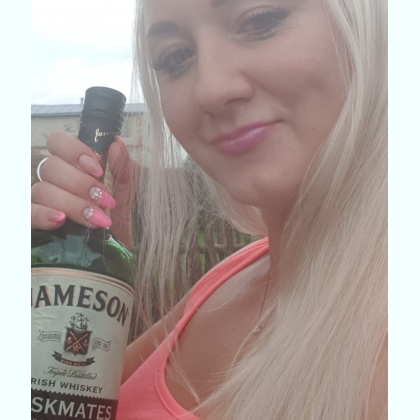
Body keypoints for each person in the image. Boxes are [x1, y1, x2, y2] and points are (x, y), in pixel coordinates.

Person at [31, 0, 387, 418]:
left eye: (260, 20)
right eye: (175, 57)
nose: (210, 89)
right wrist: (94, 274)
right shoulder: (230, 280)